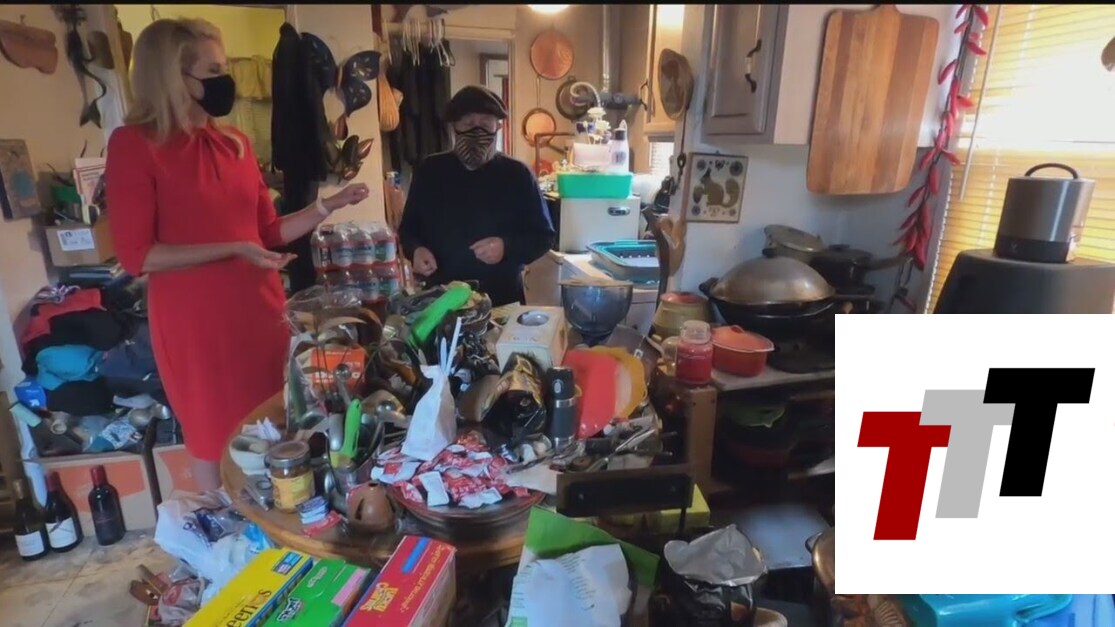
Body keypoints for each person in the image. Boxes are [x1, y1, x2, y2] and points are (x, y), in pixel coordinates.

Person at [105, 18, 369, 490]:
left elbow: (267, 232)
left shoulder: (235, 145)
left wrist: (327, 206)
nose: (223, 80)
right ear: (173, 76)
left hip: (261, 314)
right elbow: (136, 255)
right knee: (216, 440)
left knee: (276, 427)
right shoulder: (135, 146)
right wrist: (234, 249)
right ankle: (222, 526)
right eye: (213, 71)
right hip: (197, 326)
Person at [398, 85, 555, 307]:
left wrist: (506, 247)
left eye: (485, 124)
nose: (477, 131)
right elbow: (408, 229)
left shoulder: (517, 174)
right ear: (454, 126)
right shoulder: (430, 171)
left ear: (497, 126)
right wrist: (416, 250)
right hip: (440, 298)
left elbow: (543, 236)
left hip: (502, 298)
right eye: (468, 124)